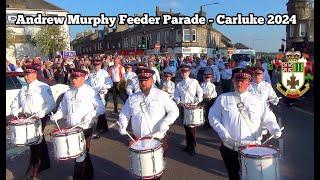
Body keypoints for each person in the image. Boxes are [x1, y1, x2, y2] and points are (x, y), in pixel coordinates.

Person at [208, 68, 282, 180]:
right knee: (233, 175)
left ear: (249, 82)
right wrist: (221, 130)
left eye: (243, 81)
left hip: (252, 149)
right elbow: (212, 116)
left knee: (253, 177)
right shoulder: (223, 98)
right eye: (237, 80)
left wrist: (274, 128)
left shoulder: (258, 100)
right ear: (233, 81)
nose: (239, 83)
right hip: (230, 148)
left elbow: (268, 118)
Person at [117, 67, 179, 179]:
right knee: (141, 171)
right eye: (141, 80)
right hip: (138, 140)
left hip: (157, 139)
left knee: (155, 171)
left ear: (152, 80)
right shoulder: (132, 98)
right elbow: (124, 114)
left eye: (146, 80)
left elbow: (174, 111)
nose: (143, 83)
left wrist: (166, 122)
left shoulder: (161, 95)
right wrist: (123, 124)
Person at [50, 69, 105, 180]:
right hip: (71, 128)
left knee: (80, 155)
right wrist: (57, 115)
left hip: (85, 127)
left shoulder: (91, 91)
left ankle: (78, 177)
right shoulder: (68, 93)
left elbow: (101, 108)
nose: (73, 80)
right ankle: (89, 174)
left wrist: (91, 115)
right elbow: (63, 109)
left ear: (83, 78)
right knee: (82, 153)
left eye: (76, 78)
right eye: (72, 78)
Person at [10, 65, 56, 179]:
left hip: (39, 117)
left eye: (28, 74)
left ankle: (32, 170)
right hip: (27, 118)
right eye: (24, 74)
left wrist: (43, 113)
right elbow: (15, 102)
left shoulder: (43, 87)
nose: (25, 77)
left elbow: (51, 104)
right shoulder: (23, 88)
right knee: (39, 140)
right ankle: (45, 163)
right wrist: (14, 111)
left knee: (34, 142)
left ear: (35, 74)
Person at [174, 64, 203, 156]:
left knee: (192, 128)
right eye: (182, 72)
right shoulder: (179, 84)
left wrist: (198, 100)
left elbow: (200, 91)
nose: (184, 73)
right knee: (186, 127)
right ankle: (188, 146)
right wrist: (180, 102)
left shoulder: (194, 81)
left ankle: (193, 147)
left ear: (189, 72)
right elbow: (176, 95)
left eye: (186, 71)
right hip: (184, 107)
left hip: (193, 107)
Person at [86, 59, 113, 139]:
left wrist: (105, 87)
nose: (96, 66)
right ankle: (104, 128)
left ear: (100, 65)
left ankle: (98, 130)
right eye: (94, 65)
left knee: (100, 111)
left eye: (97, 65)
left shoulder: (104, 73)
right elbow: (87, 83)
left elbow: (110, 83)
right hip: (93, 95)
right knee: (100, 112)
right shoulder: (91, 74)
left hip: (102, 94)